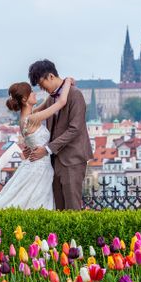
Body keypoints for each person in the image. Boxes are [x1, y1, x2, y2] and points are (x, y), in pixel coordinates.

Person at [0, 77, 73, 210]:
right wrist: (67, 82)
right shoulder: (32, 118)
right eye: (31, 92)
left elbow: (48, 102)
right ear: (25, 99)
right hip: (39, 168)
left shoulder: (26, 118)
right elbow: (61, 102)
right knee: (35, 204)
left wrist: (56, 89)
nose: (34, 93)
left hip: (36, 165)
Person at [25, 59, 93, 210]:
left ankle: (74, 235)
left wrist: (47, 149)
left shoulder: (75, 95)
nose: (43, 89)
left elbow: (74, 129)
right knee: (59, 209)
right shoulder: (52, 98)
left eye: (42, 85)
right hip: (54, 160)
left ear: (50, 76)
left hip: (72, 159)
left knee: (72, 208)